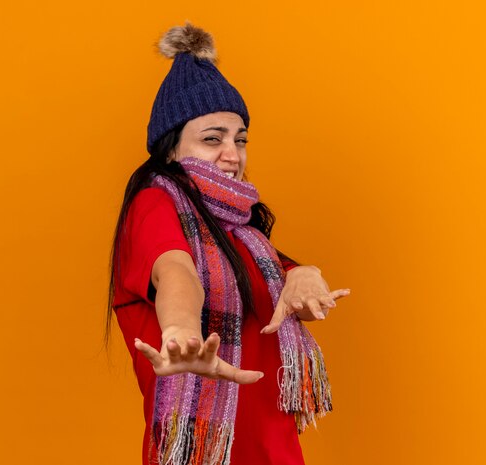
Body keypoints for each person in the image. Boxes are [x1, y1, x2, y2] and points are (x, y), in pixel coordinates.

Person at [106, 21, 350, 465]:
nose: (233, 155)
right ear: (170, 150)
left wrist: (304, 278)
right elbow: (176, 270)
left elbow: (284, 271)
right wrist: (181, 331)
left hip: (275, 452)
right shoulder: (155, 202)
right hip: (207, 453)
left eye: (240, 140)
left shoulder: (243, 232)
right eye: (211, 139)